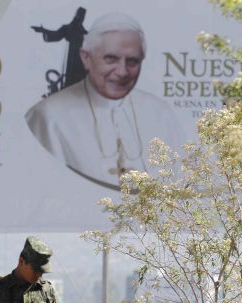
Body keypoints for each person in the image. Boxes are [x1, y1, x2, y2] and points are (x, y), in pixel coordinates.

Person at [25, 12, 184, 190]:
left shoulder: (160, 113)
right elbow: (39, 193)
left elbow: (178, 186)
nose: (122, 72)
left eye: (132, 61)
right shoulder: (48, 116)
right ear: (86, 58)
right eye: (111, 59)